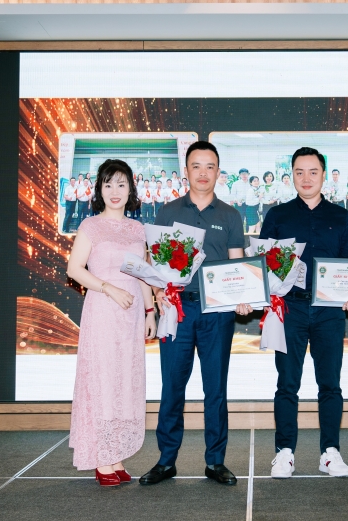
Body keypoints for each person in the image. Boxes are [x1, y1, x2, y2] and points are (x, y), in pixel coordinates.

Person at [140, 141, 251, 487]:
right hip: (178, 309)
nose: (203, 173)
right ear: (186, 171)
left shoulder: (230, 215)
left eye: (210, 166)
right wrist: (159, 291)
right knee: (172, 385)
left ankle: (215, 461)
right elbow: (154, 260)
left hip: (217, 311)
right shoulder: (168, 211)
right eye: (196, 166)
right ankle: (166, 461)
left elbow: (237, 264)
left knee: (215, 388)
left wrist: (243, 296)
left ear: (218, 172)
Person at [260, 147, 348, 479]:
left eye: (313, 172)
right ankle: (284, 453)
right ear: (291, 175)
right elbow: (263, 262)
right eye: (299, 172)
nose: (306, 178)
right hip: (290, 308)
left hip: (329, 311)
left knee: (330, 383)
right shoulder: (277, 215)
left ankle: (330, 453)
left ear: (323, 175)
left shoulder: (340, 216)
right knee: (287, 383)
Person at [66, 159, 158, 486]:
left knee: (125, 382)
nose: (115, 191)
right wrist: (108, 288)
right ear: (99, 190)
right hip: (103, 310)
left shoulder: (138, 229)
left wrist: (150, 311)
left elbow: (143, 273)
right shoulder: (90, 226)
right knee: (103, 380)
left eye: (121, 184)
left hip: (130, 316)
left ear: (131, 189)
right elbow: (74, 269)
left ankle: (115, 454)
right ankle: (102, 459)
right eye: (108, 184)